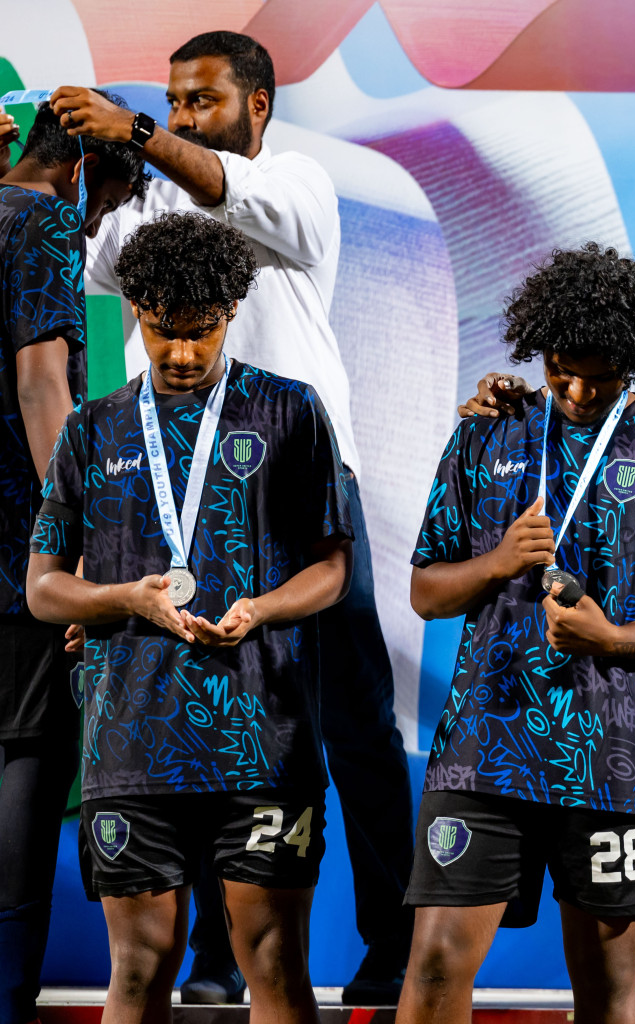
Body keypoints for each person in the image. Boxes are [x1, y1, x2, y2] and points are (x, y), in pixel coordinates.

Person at [54, 30, 416, 1001]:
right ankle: (213, 962)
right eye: (170, 103)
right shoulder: (153, 201)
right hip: (179, 487)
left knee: (356, 719)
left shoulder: (298, 182)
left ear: (257, 106)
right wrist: (77, 166)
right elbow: (81, 262)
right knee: (201, 707)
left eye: (200, 101)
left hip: (300, 476)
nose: (179, 119)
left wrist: (133, 128)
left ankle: (394, 941)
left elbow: (226, 188)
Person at [26, 211, 351, 1024]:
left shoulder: (290, 411)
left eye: (199, 333)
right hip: (131, 735)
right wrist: (122, 599)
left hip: (263, 738)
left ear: (232, 312)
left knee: (274, 959)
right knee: (138, 966)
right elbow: (42, 587)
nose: (180, 352)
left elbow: (335, 568)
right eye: (163, 330)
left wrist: (263, 609)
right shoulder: (91, 427)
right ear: (133, 305)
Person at [397, 244, 635, 1024]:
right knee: (438, 961)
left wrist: (610, 639)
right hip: (484, 746)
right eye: (560, 369)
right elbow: (424, 592)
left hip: (611, 753)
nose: (576, 389)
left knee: (609, 984)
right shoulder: (487, 431)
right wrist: (498, 561)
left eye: (599, 374)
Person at [0, 97, 145, 1024]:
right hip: (15, 550)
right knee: (25, 759)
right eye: (111, 200)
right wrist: (76, 548)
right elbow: (40, 382)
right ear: (84, 168)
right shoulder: (46, 219)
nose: (98, 226)